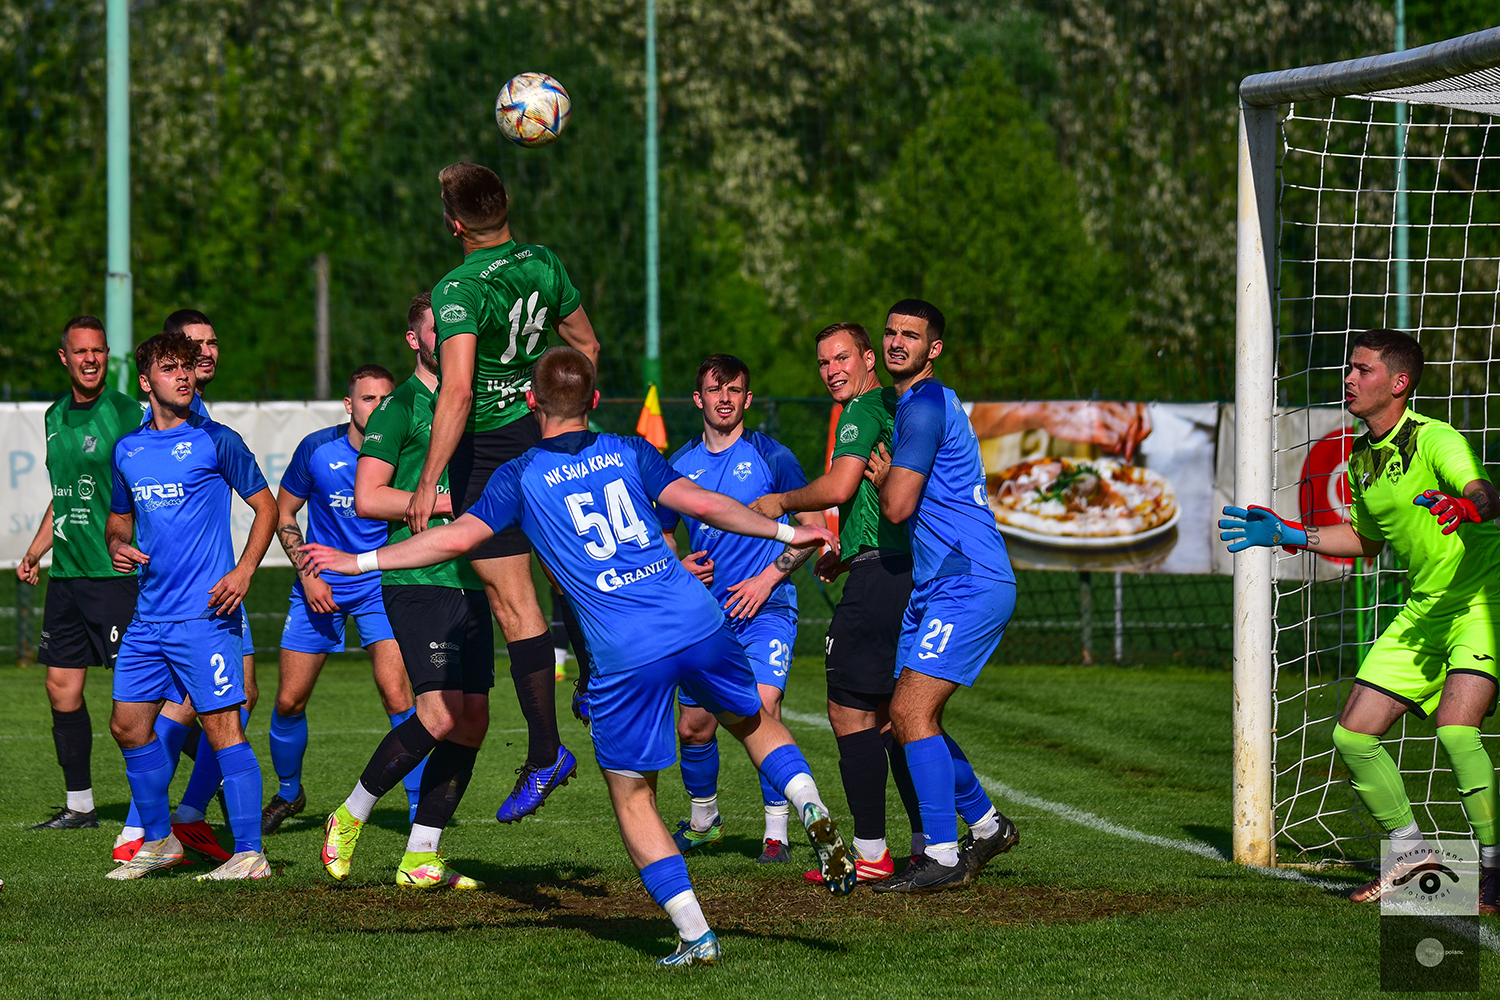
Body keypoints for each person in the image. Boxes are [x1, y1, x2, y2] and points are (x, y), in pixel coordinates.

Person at [303, 346, 856, 965]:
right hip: (696, 617)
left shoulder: (519, 475)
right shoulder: (631, 449)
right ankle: (809, 804)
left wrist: (359, 560)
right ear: (594, 400)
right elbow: (705, 504)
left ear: (531, 402)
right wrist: (791, 530)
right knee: (753, 721)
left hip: (626, 650)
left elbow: (452, 539)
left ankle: (696, 934)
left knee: (633, 796)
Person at [1220, 328, 1500, 913]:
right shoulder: (1360, 458)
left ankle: (1495, 870)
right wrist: (1289, 533)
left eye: (1363, 370)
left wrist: (1467, 504)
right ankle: (1412, 856)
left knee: (1456, 729)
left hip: (1480, 601)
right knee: (1352, 734)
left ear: (1399, 383)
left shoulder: (1434, 438)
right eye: (1349, 368)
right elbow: (1366, 540)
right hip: (1425, 610)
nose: (1348, 378)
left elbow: (1483, 492)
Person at [406, 162, 601, 821]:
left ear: (454, 224)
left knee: (513, 603)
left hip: (486, 452)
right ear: (505, 205)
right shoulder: (543, 261)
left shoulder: (457, 288)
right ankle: (594, 679)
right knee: (564, 571)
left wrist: (427, 481)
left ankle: (546, 753)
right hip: (539, 431)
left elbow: (458, 390)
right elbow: (586, 344)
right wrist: (565, 413)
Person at [318, 293, 495, 889]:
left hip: (474, 578)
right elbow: (368, 497)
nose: (452, 339)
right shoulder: (398, 409)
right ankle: (349, 815)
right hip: (419, 580)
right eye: (437, 330)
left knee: (473, 721)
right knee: (439, 715)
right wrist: (451, 503)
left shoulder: (474, 400)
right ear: (415, 341)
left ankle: (421, 855)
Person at [750, 322, 925, 882]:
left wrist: (779, 501)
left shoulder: (862, 410)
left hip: (881, 579)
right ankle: (930, 841)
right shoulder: (895, 405)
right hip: (901, 567)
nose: (832, 371)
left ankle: (871, 853)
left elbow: (841, 487)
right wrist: (849, 554)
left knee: (849, 710)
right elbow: (880, 505)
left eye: (842, 358)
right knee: (898, 716)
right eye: (824, 362)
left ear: (869, 359)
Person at [104, 331, 277, 880]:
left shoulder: (217, 439)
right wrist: (117, 544)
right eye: (170, 367)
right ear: (145, 381)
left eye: (187, 366)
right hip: (148, 617)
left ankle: (249, 853)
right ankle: (160, 840)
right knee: (128, 726)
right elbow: (118, 519)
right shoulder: (127, 449)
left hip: (205, 616)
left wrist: (244, 571)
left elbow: (267, 507)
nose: (183, 374)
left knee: (223, 727)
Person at [864, 299, 1020, 894]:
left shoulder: (925, 404)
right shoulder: (919, 403)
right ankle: (987, 826)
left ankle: (942, 855)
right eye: (891, 332)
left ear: (934, 349)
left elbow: (898, 506)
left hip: (967, 580)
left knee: (910, 712)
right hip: (939, 584)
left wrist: (886, 480)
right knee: (905, 718)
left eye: (912, 335)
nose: (897, 342)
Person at [656, 354, 825, 863]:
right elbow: (664, 532)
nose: (724, 399)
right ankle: (704, 822)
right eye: (715, 390)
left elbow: (813, 528)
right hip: (704, 618)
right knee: (694, 727)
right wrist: (679, 565)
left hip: (767, 609)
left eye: (734, 390)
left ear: (747, 399)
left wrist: (767, 578)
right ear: (698, 399)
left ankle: (777, 834)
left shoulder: (774, 457)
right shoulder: (677, 465)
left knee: (763, 709)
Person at [262, 364, 424, 835]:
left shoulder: (408, 450)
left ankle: (420, 812)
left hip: (379, 584)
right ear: (349, 404)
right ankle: (289, 793)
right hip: (320, 584)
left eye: (386, 400)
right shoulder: (317, 449)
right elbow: (284, 511)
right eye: (368, 399)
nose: (378, 407)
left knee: (398, 696)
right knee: (289, 701)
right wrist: (309, 574)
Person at [18, 316, 146, 830]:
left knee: (143, 701)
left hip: (114, 577)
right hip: (67, 577)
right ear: (64, 357)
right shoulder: (54, 415)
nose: (90, 359)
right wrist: (35, 552)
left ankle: (217, 780)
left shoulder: (128, 413)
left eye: (98, 351)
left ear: (107, 355)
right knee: (60, 688)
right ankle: (81, 806)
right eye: (80, 351)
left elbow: (144, 488)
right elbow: (65, 495)